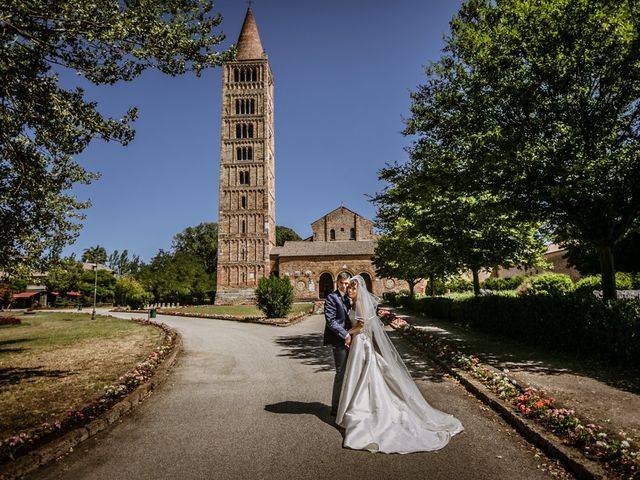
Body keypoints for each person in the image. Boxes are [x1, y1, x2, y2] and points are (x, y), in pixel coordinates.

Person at [336, 275, 463, 453]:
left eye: (352, 288)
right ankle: (361, 405)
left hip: (360, 341)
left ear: (359, 290)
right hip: (360, 342)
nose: (349, 290)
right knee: (365, 375)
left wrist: (347, 333)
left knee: (364, 374)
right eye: (348, 287)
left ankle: (363, 410)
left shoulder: (359, 304)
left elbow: (362, 324)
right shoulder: (355, 302)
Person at [323, 272, 352, 417]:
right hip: (339, 340)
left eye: (347, 283)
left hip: (353, 340)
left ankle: (348, 404)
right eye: (342, 283)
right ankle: (335, 408)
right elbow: (331, 320)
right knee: (340, 373)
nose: (345, 286)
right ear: (338, 283)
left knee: (352, 373)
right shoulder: (331, 297)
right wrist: (345, 334)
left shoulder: (350, 297)